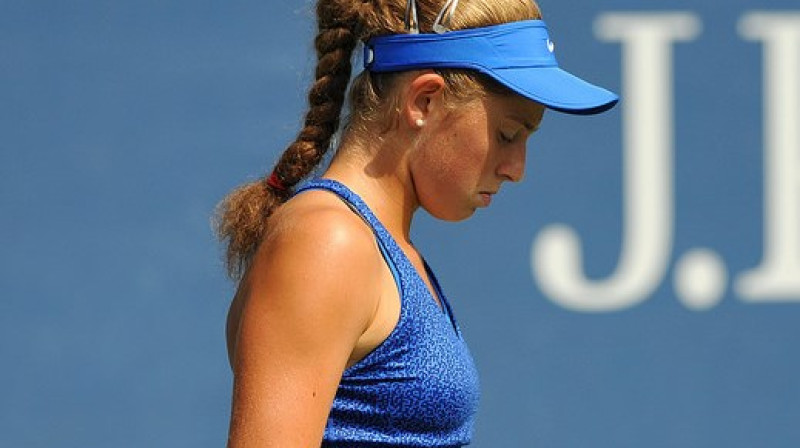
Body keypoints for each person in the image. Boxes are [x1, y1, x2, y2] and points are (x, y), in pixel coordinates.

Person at [215, 0, 617, 446]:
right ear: (423, 100)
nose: (516, 168)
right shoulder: (328, 241)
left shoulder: (377, 247)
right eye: (507, 134)